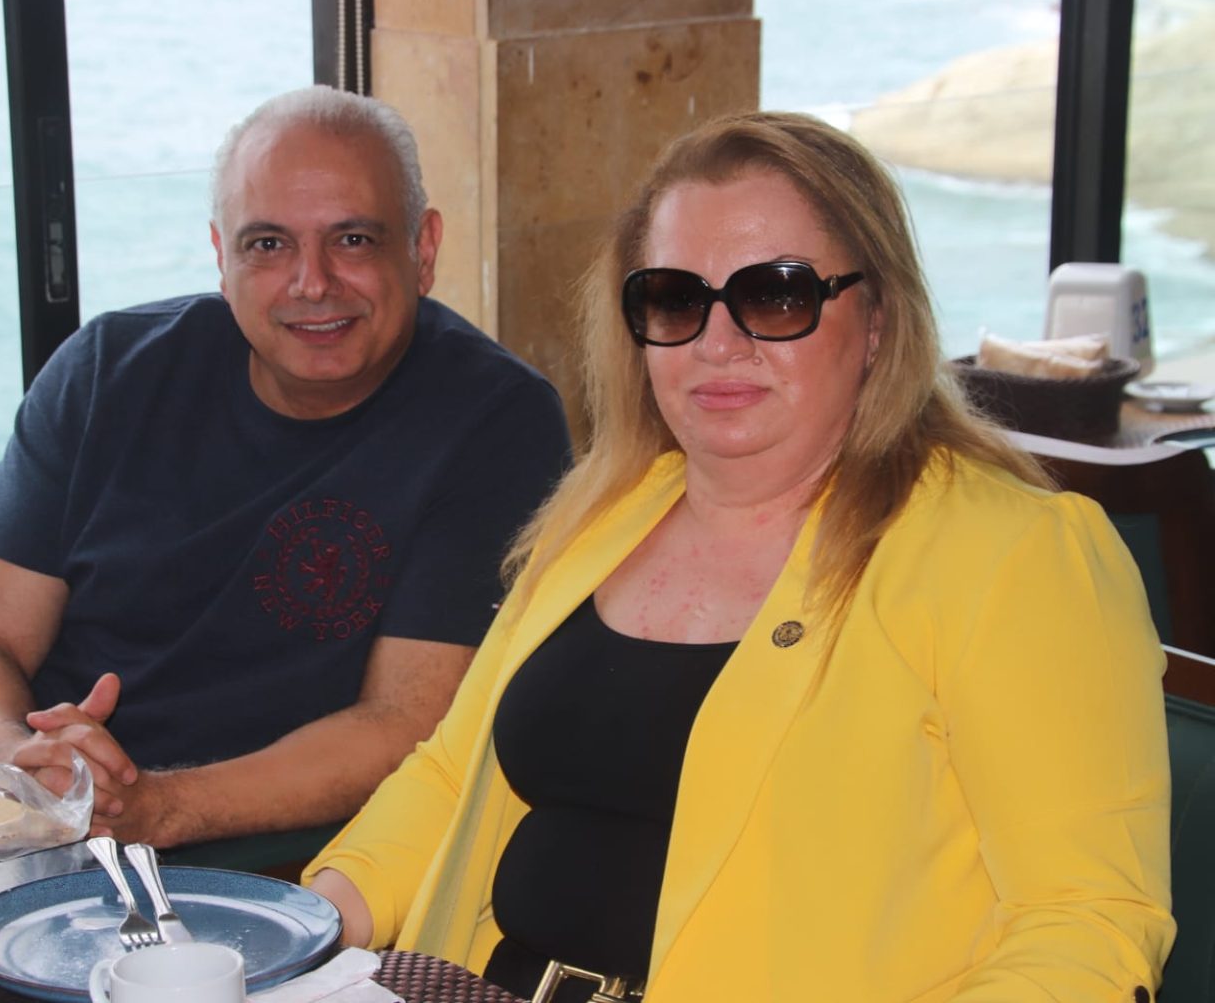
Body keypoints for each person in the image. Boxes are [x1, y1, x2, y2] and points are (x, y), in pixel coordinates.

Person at [304, 111, 1173, 1001]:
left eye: (777, 295)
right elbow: (451, 775)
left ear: (877, 319)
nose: (717, 343)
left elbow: (1088, 921)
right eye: (676, 298)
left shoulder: (1016, 555)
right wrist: (295, 933)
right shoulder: (604, 512)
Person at [0, 86, 571, 848]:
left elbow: (408, 724)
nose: (312, 282)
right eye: (268, 245)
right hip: (31, 822)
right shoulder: (106, 374)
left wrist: (156, 807)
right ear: (222, 257)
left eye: (353, 239)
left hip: (272, 862)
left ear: (422, 250)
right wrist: (21, 767)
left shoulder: (495, 421)